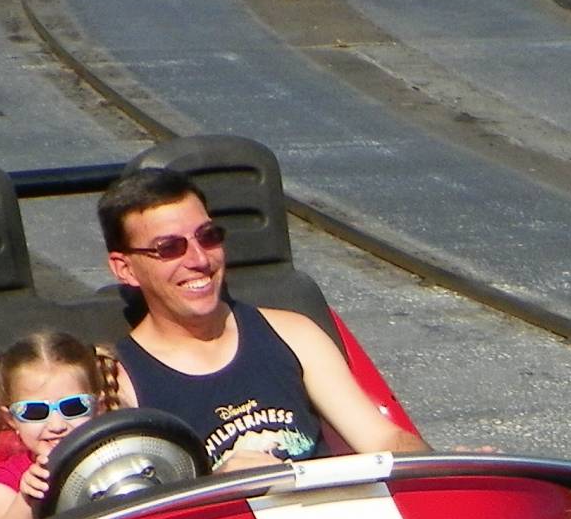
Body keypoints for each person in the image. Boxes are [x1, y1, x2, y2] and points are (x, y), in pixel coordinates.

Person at [98, 168, 426, 471]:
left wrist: (457, 476)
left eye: (208, 236)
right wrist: (219, 485)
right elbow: (138, 509)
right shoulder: (119, 381)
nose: (199, 259)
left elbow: (383, 440)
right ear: (125, 269)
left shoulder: (294, 334)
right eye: (170, 247)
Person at [0, 331, 122, 519]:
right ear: (11, 420)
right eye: (34, 411)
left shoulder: (119, 455)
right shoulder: (5, 483)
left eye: (73, 407)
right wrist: (27, 500)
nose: (56, 425)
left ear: (98, 408)